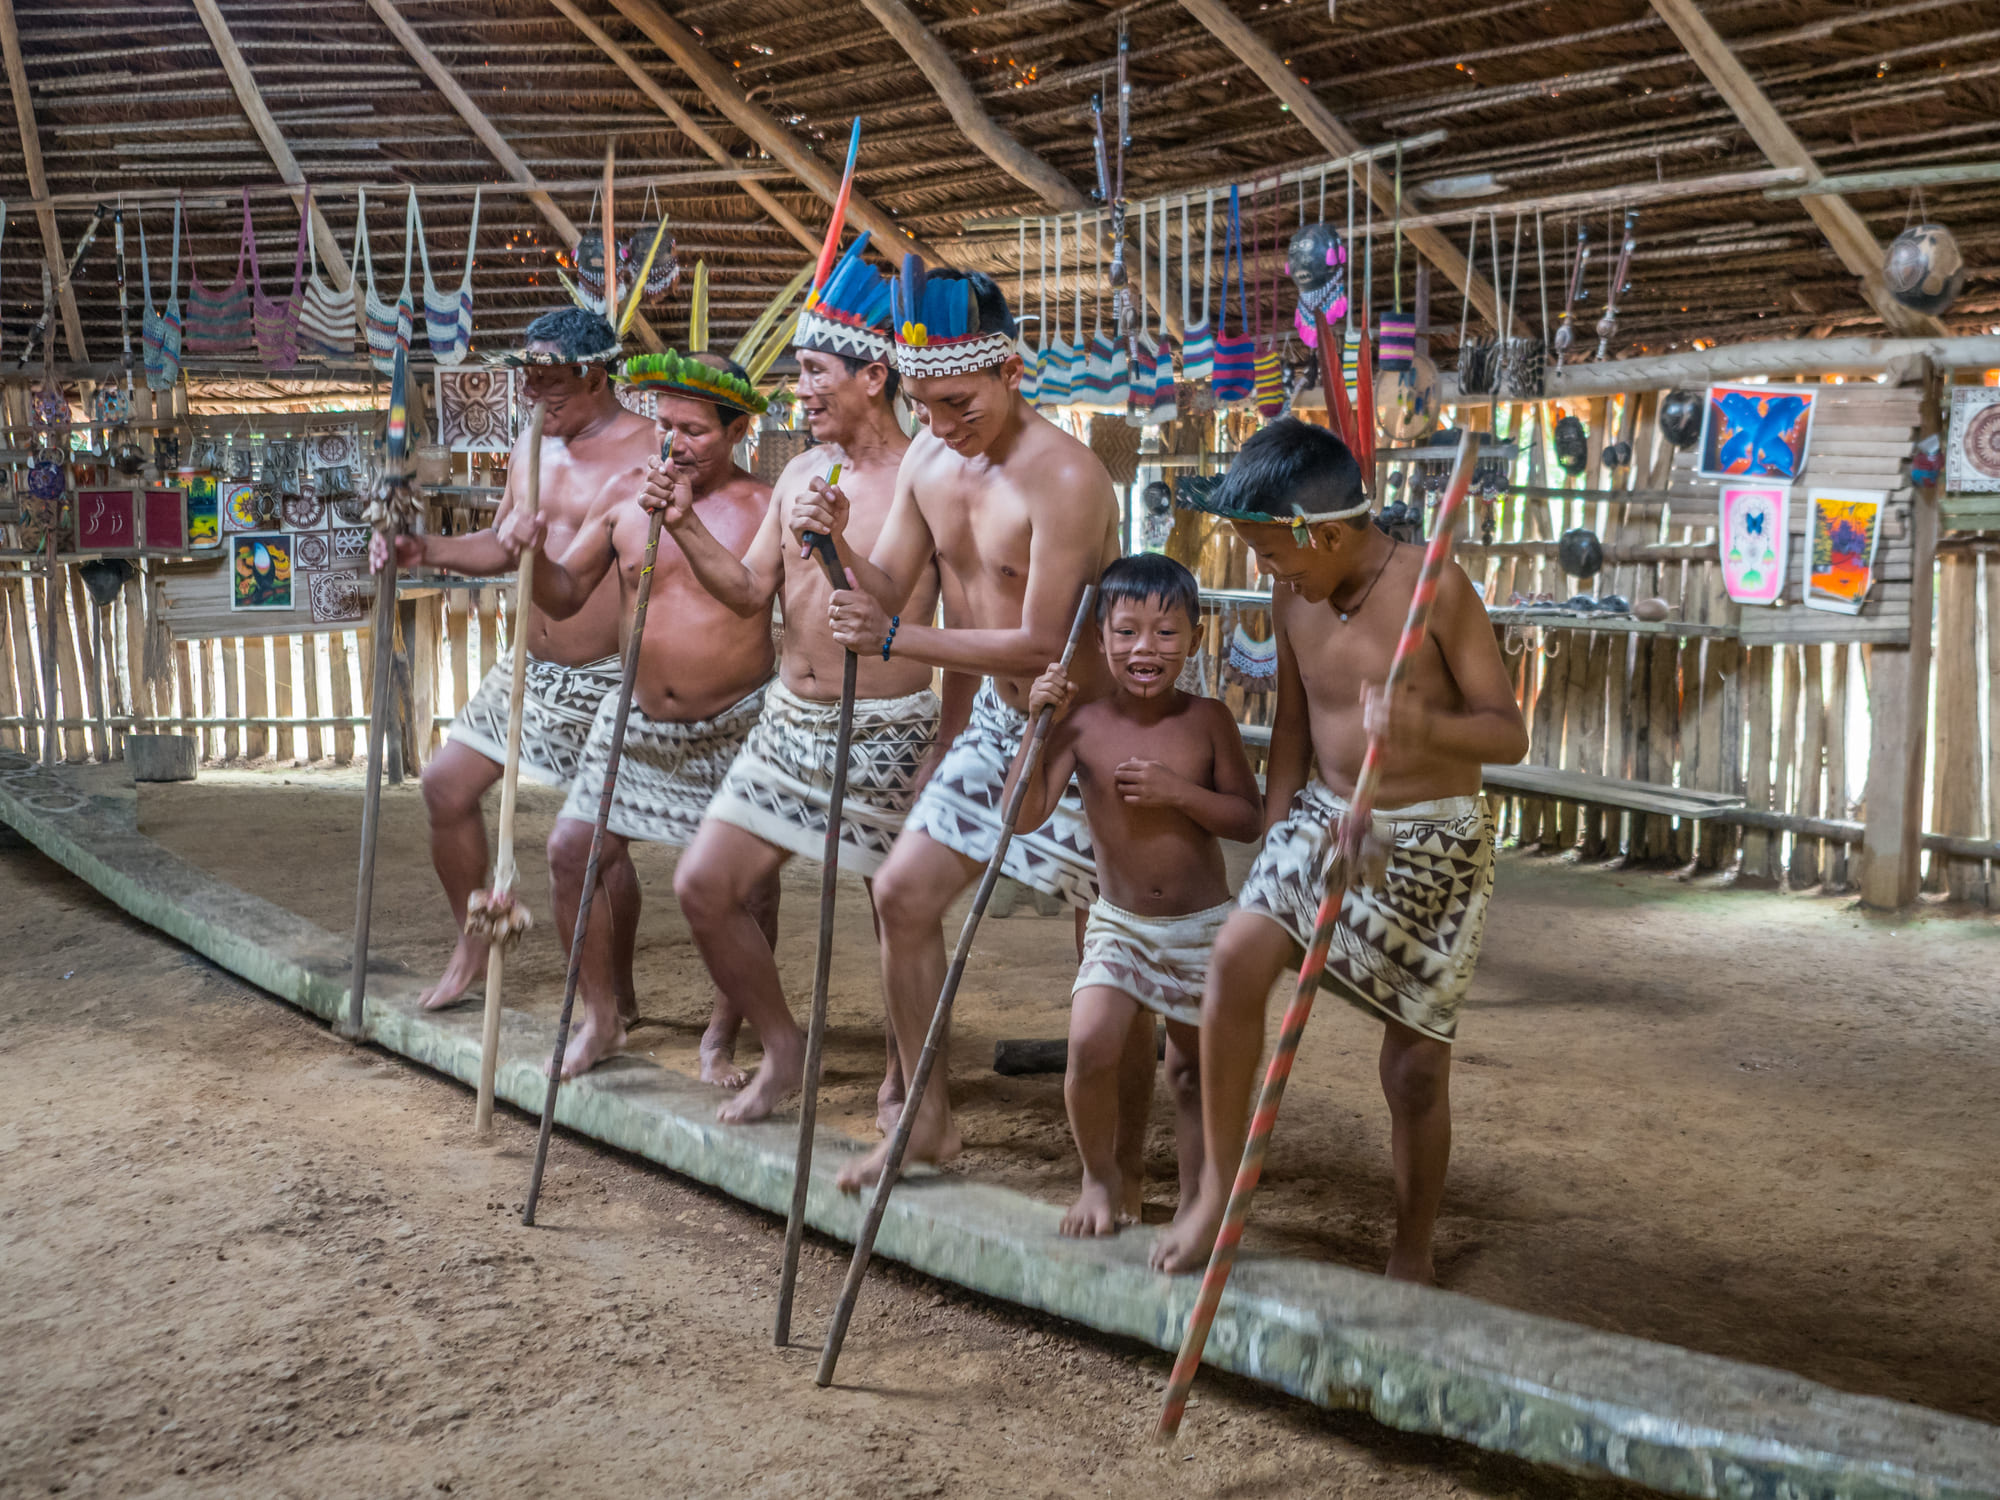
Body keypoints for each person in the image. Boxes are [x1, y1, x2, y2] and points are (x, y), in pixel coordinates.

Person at [1150, 417, 1529, 1283]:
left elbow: (1508, 733)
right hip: (1324, 817)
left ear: (1320, 533)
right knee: (1237, 961)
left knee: (1416, 1069)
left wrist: (1422, 723)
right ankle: (1213, 1192)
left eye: (1271, 553)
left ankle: (1413, 1242)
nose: (1264, 572)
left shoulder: (1437, 591)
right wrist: (1283, 832)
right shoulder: (1296, 597)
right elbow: (1292, 725)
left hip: (1433, 841)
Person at [790, 257, 1121, 1190]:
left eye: (961, 405)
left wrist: (900, 635)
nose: (939, 427)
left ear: (1012, 375)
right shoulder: (933, 460)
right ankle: (926, 1123)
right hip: (1000, 735)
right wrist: (833, 543)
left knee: (1112, 949)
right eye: (926, 406)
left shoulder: (1066, 479)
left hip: (1088, 731)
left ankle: (1122, 1167)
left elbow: (1040, 645)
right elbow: (888, 583)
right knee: (901, 897)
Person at [657, 236, 963, 1124]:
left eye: (817, 369)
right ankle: (784, 1044)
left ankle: (910, 1077)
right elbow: (751, 590)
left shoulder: (929, 474)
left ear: (874, 376)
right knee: (703, 886)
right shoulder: (800, 469)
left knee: (893, 915)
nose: (800, 388)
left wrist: (945, 739)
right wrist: (683, 526)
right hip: (789, 722)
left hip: (889, 724)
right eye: (798, 370)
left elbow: (903, 599)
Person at [499, 350, 778, 1079]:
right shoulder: (628, 495)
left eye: (695, 430)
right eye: (665, 425)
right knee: (571, 851)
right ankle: (601, 1019)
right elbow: (564, 593)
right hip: (639, 716)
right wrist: (533, 557)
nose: (674, 443)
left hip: (738, 719)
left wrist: (683, 523)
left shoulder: (765, 504)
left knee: (745, 888)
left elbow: (749, 597)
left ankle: (723, 1032)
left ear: (740, 429)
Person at [389, 308, 652, 1015]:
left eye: (551, 385)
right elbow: (504, 545)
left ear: (594, 374)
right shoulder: (531, 445)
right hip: (529, 666)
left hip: (607, 674)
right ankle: (473, 942)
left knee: (603, 847)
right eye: (529, 384)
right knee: (445, 787)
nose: (535, 398)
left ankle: (614, 995)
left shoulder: (650, 454)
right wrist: (428, 551)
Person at [1004, 555, 1261, 1238]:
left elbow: (1248, 817)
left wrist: (1180, 794)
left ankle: (1193, 1202)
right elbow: (1019, 816)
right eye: (1127, 632)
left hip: (1203, 926)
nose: (1145, 648)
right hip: (1117, 923)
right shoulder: (1080, 725)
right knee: (1090, 1047)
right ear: (1099, 639)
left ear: (1196, 640)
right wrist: (1036, 722)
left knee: (1191, 1075)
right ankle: (1100, 1177)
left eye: (1167, 633)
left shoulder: (1209, 721)